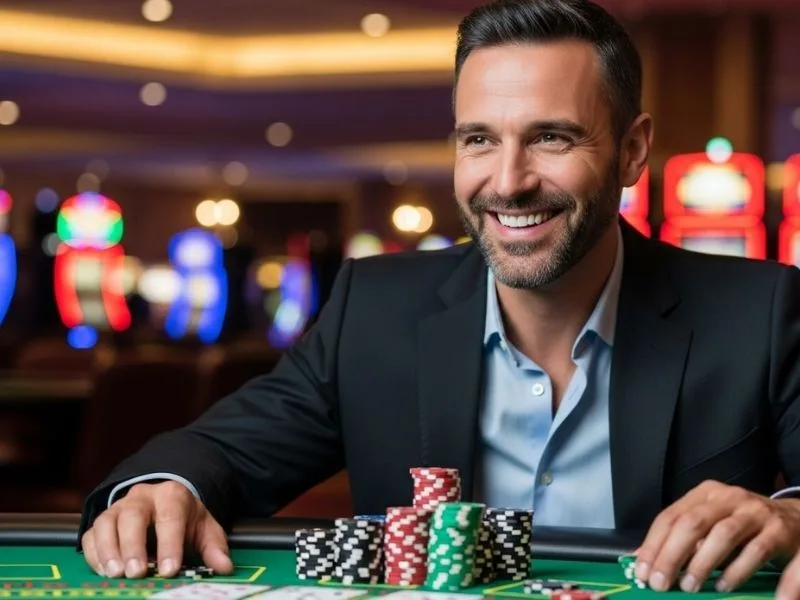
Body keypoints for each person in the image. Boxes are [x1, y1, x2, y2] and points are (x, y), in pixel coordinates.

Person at [78, 0, 800, 597]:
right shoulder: (377, 309)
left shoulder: (757, 313)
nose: (509, 181)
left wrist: (791, 517)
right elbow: (214, 452)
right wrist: (164, 488)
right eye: (479, 140)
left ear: (633, 150)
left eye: (551, 137)